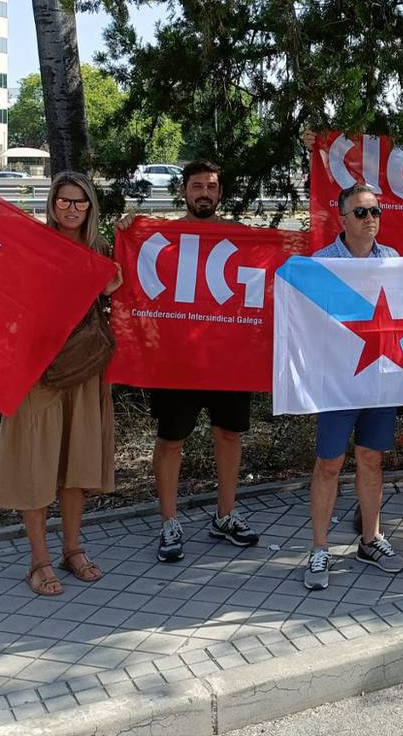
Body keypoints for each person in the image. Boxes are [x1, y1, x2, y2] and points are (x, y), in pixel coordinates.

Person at [0, 173, 123, 595]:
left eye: (80, 202)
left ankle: (71, 548)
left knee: (75, 464)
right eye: (64, 201)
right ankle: (38, 560)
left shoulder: (101, 250)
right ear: (52, 203)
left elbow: (119, 302)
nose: (71, 209)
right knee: (36, 463)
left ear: (90, 207)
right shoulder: (34, 243)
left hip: (83, 369)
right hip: (38, 370)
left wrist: (112, 285)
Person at [129, 161, 262, 562]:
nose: (204, 192)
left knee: (230, 434)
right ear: (183, 191)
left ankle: (225, 514)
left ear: (220, 193)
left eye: (211, 186)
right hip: (178, 360)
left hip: (229, 361)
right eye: (197, 186)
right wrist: (128, 228)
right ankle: (169, 521)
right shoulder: (163, 238)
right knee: (171, 440)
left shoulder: (239, 237)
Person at [304, 184, 403, 589]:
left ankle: (371, 538)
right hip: (338, 381)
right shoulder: (322, 262)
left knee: (371, 459)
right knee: (329, 463)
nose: (370, 219)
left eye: (376, 212)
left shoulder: (394, 261)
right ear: (342, 218)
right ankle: (319, 548)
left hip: (380, 378)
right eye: (361, 213)